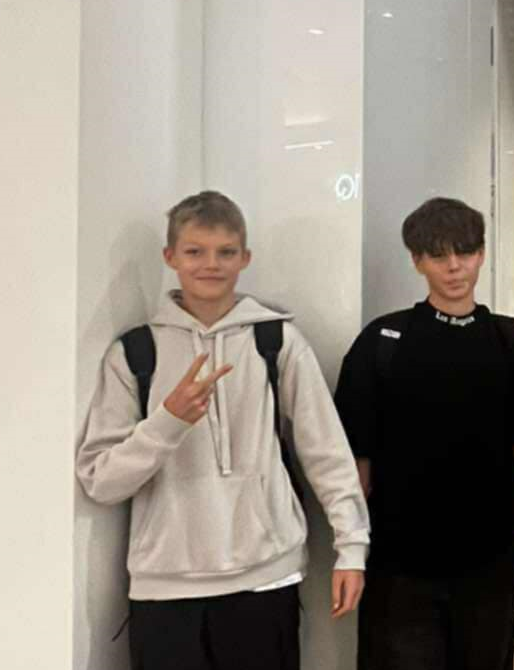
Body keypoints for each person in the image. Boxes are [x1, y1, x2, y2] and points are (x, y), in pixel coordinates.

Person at [76, 191, 370, 670]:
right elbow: (100, 481)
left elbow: (327, 453)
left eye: (225, 252)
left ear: (244, 258)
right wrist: (168, 422)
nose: (210, 264)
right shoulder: (134, 353)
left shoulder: (276, 341)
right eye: (195, 251)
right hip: (164, 591)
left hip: (266, 580)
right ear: (170, 256)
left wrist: (351, 548)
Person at [335, 198, 514, 669]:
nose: (454, 266)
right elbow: (357, 452)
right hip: (401, 554)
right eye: (438, 255)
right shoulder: (383, 341)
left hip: (489, 551)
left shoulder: (509, 339)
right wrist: (355, 535)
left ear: (482, 254)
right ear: (417, 261)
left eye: (465, 252)